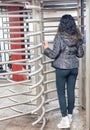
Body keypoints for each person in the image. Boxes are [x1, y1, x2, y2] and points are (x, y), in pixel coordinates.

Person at [43, 14, 84, 128]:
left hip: (61, 69)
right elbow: (80, 54)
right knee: (71, 92)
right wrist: (79, 43)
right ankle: (70, 116)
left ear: (61, 24)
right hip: (73, 68)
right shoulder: (77, 37)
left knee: (61, 93)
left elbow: (53, 54)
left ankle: (65, 119)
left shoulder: (59, 37)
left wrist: (46, 48)